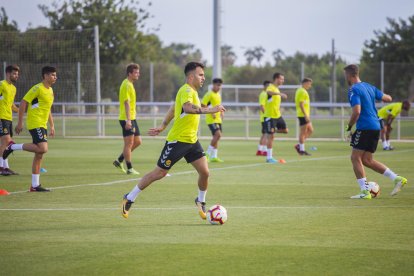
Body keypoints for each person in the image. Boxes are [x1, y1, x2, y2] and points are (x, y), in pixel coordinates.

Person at [121, 62, 225, 219]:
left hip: (192, 141)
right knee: (159, 173)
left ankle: (200, 200)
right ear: (191, 76)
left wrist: (163, 125)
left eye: (203, 75)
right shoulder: (187, 90)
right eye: (200, 75)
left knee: (205, 172)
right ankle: (129, 197)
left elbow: (174, 108)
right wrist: (211, 109)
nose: (204, 78)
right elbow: (188, 108)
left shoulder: (192, 92)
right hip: (177, 141)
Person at [344, 64, 407, 199]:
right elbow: (388, 98)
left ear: (349, 75)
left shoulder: (353, 89)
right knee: (367, 160)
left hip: (365, 126)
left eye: (346, 75)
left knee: (355, 157)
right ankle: (397, 178)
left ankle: (365, 191)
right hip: (376, 126)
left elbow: (357, 111)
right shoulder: (369, 87)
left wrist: (349, 127)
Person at [3, 66, 58, 192]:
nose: (55, 77)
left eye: (55, 75)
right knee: (43, 148)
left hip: (42, 124)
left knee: (39, 154)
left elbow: (48, 108)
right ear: (45, 76)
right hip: (35, 122)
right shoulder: (37, 88)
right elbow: (23, 102)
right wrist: (20, 122)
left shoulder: (50, 91)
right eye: (53, 75)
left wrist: (52, 125)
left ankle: (35, 185)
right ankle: (12, 147)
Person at [112, 63, 142, 175]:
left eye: (138, 72)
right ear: (129, 73)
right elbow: (126, 102)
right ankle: (129, 168)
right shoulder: (126, 85)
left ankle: (119, 160)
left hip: (132, 117)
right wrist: (128, 120)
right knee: (128, 144)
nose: (138, 74)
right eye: (136, 72)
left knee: (138, 141)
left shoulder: (130, 84)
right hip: (126, 118)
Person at [263, 72, 288, 163]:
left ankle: (272, 130)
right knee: (271, 136)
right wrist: (279, 94)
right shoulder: (271, 87)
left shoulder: (277, 89)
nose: (283, 81)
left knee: (285, 130)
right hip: (270, 116)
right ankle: (269, 158)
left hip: (277, 116)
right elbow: (268, 92)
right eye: (282, 79)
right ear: (277, 79)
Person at [0, 65, 20, 176]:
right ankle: (1, 167)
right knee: (7, 141)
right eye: (14, 74)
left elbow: (11, 105)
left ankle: (5, 167)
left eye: (17, 74)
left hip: (8, 118)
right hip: (1, 117)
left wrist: (21, 110)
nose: (16, 76)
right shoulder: (1, 84)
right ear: (8, 74)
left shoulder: (13, 88)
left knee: (5, 144)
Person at [202, 78, 224, 162]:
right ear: (213, 85)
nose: (219, 87)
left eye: (220, 86)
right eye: (217, 85)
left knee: (217, 137)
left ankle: (214, 156)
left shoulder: (218, 94)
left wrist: (222, 112)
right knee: (218, 135)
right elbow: (203, 104)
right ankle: (207, 154)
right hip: (211, 119)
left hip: (218, 119)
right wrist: (211, 112)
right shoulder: (209, 94)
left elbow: (218, 105)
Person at [294, 78, 314, 156]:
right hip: (303, 115)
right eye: (309, 84)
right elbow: (301, 104)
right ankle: (301, 150)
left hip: (304, 114)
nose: (310, 86)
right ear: (304, 83)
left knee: (310, 130)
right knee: (303, 132)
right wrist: (306, 115)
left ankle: (299, 145)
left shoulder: (301, 90)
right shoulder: (302, 91)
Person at [256, 80, 270, 156]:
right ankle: (264, 150)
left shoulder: (266, 94)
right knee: (266, 134)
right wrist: (267, 115)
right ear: (264, 86)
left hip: (265, 117)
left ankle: (260, 150)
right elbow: (262, 106)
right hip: (265, 117)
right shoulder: (264, 94)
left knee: (265, 134)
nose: (268, 87)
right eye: (267, 86)